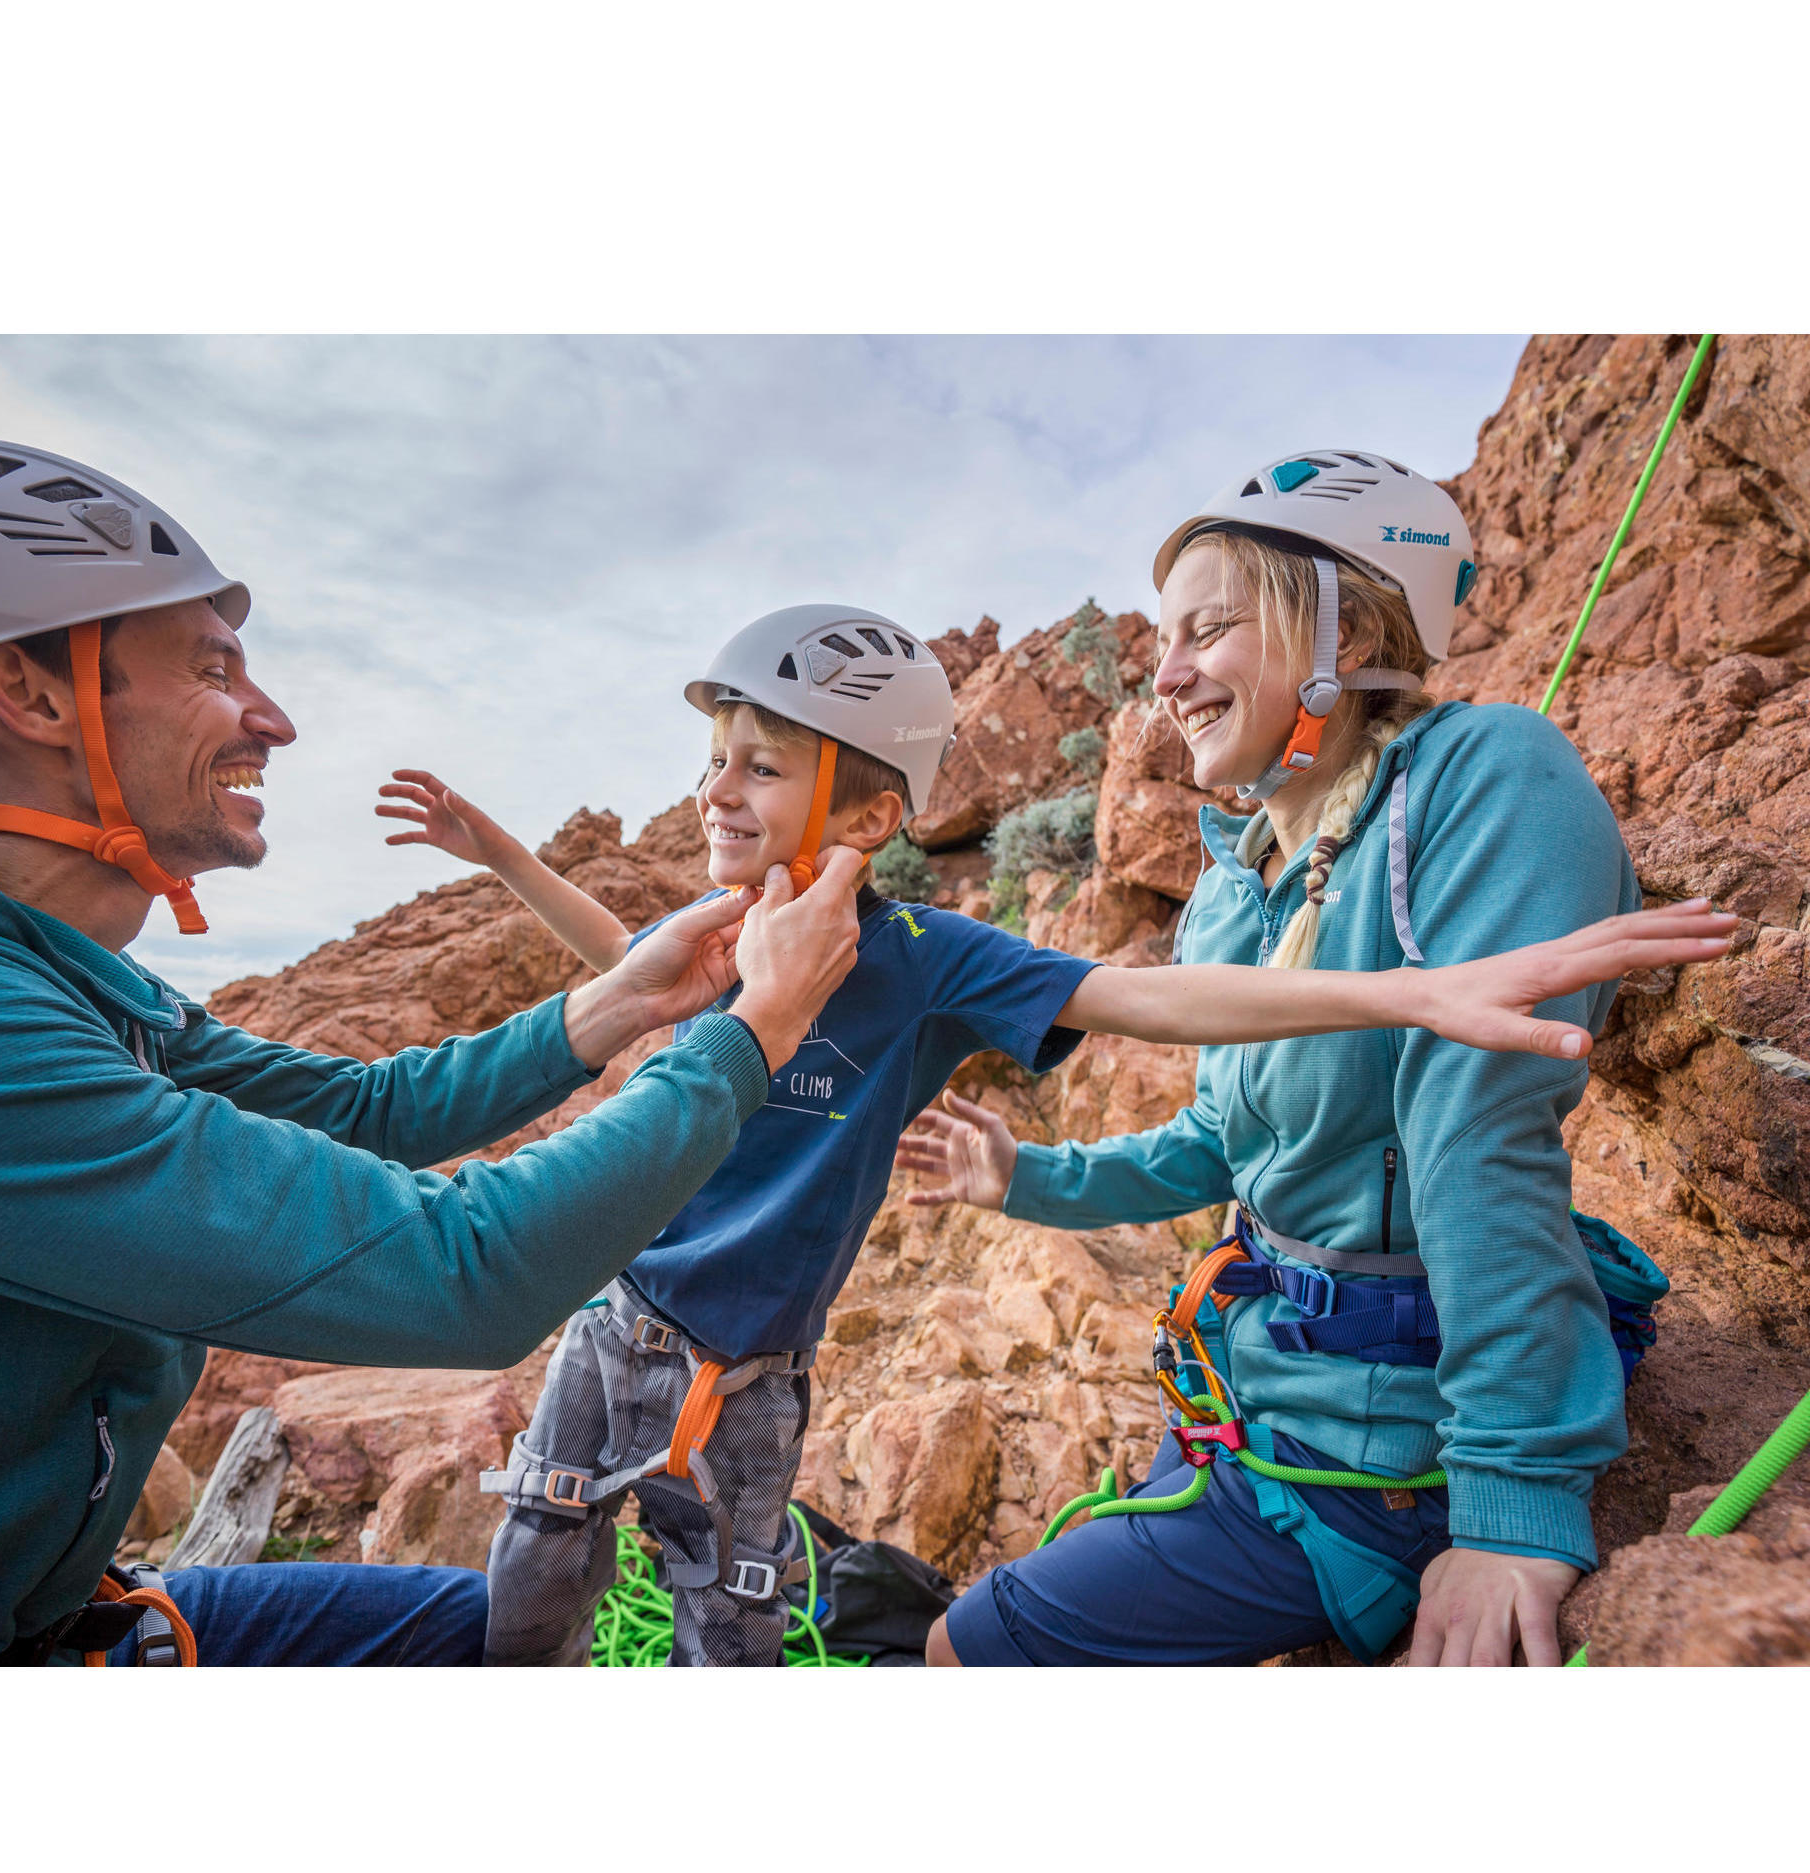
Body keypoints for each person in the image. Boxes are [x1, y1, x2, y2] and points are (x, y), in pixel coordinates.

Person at [380, 594, 1730, 1665]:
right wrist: (507, 860)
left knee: (728, 1616)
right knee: (535, 1556)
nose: (719, 791)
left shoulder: (922, 958)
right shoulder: (729, 937)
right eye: (714, 762)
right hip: (618, 1323)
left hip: (749, 1373)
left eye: (761, 765)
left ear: (866, 814)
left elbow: (1141, 997)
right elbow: (632, 974)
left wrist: (1409, 992)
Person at [0, 436, 868, 1667]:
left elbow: (358, 1110)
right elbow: (461, 1273)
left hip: (38, 1612)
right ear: (29, 694)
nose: (275, 718)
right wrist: (752, 1034)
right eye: (213, 668)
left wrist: (628, 999)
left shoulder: (35, 968)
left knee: (487, 1637)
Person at [907, 450, 1703, 1670]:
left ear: (1348, 618)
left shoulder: (1485, 775)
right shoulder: (1238, 882)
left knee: (965, 1651)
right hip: (1255, 1383)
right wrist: (1029, 1178)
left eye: (1209, 627)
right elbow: (1223, 1143)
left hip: (1388, 1446)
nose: (1164, 677)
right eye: (1162, 642)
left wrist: (1509, 1509)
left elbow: (1478, 1141)